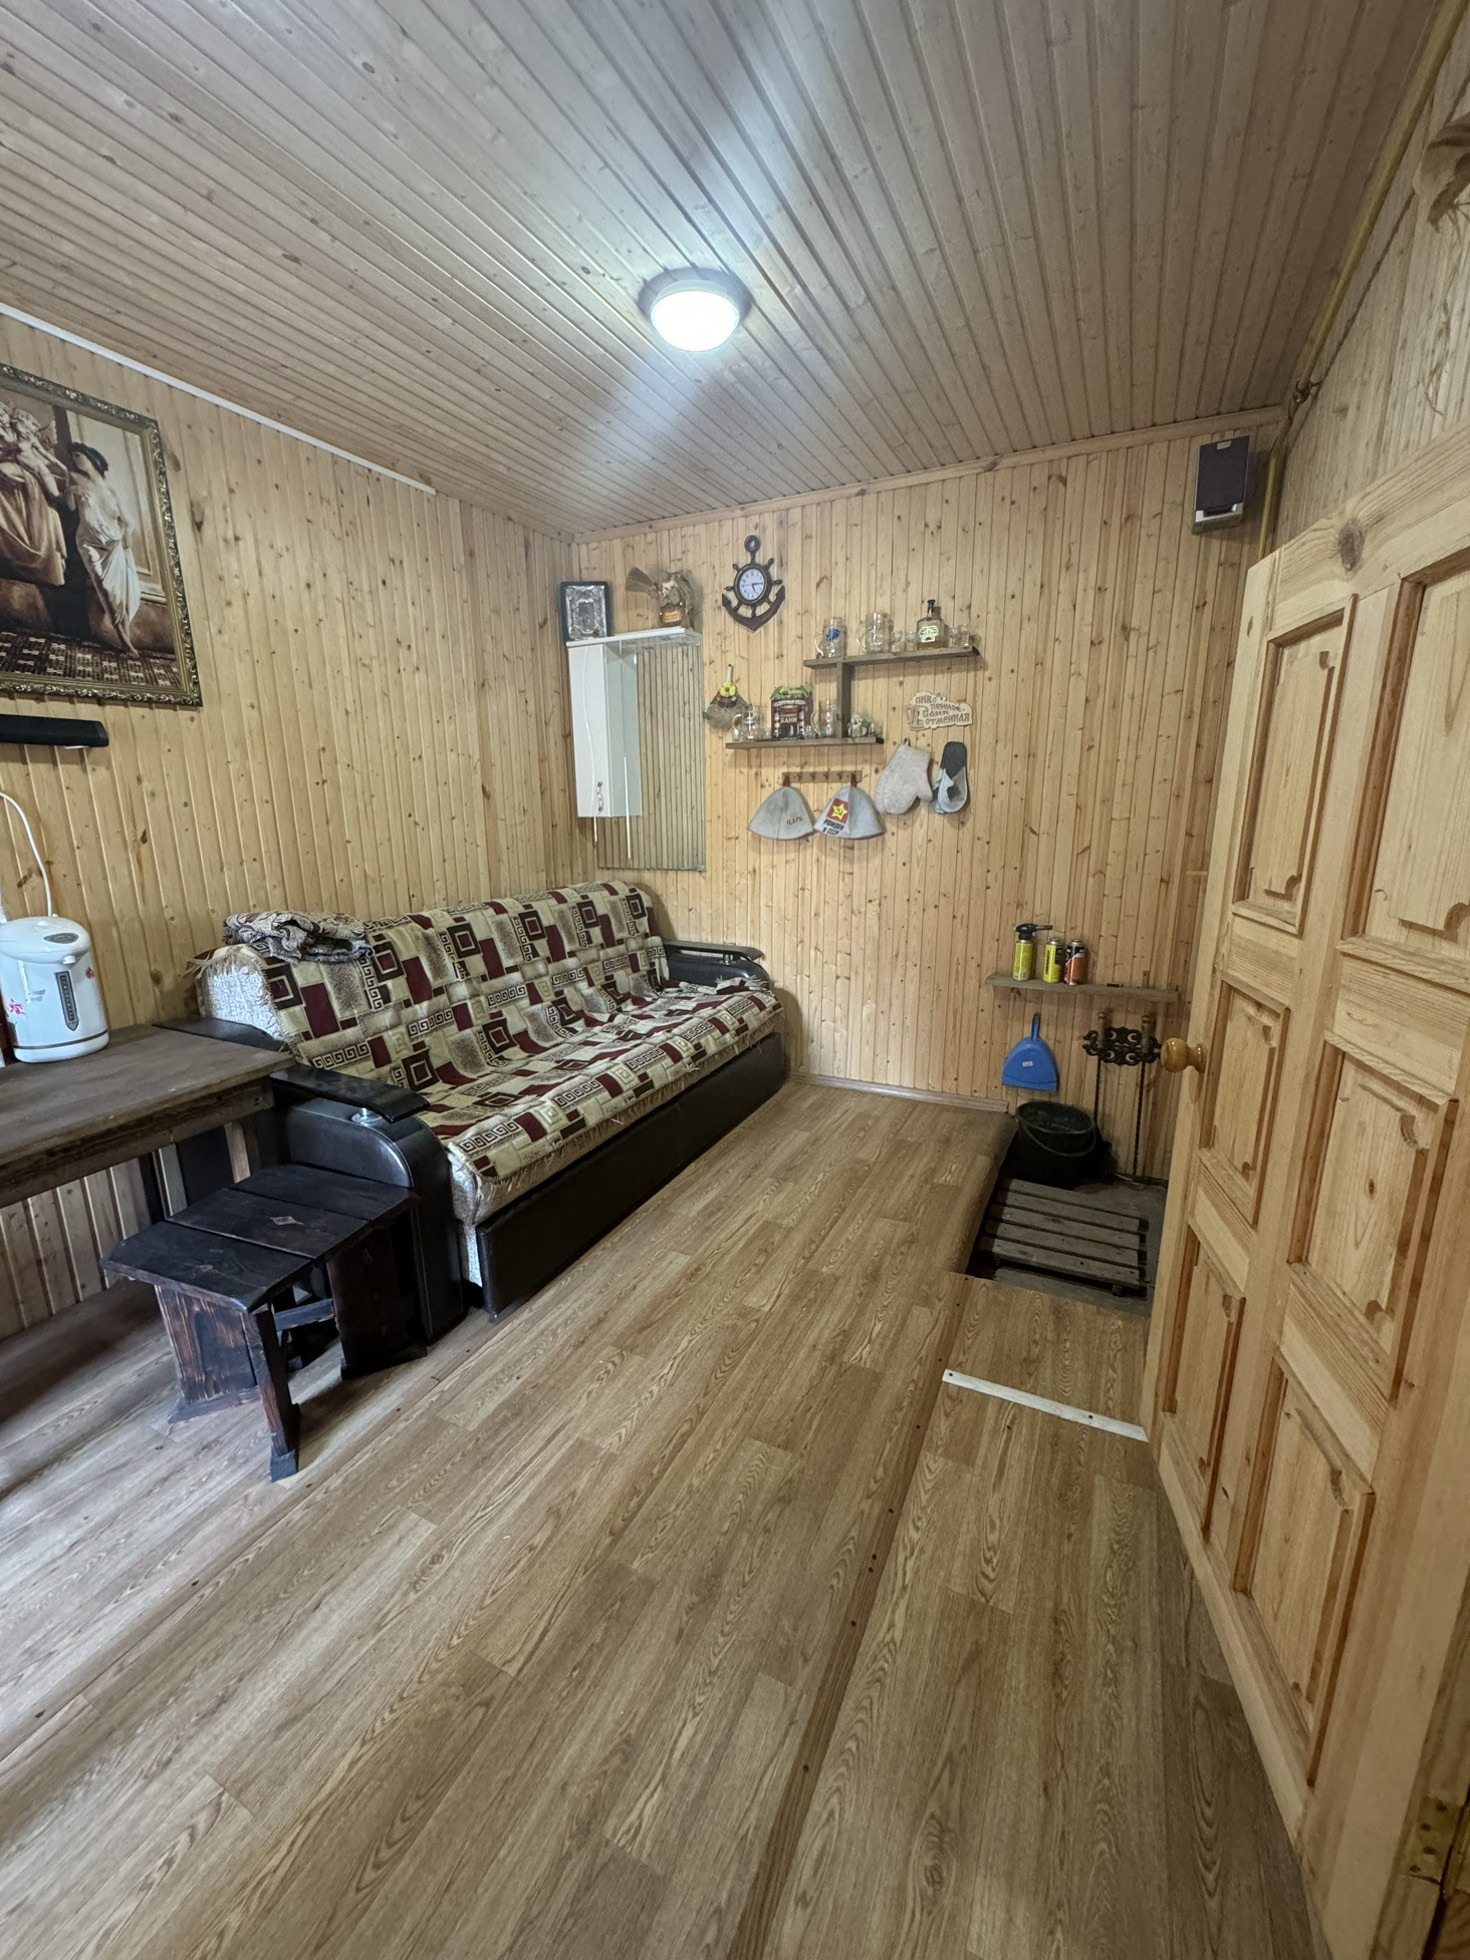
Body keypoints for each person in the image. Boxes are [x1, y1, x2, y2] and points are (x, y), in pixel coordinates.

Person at [67, 442, 142, 655]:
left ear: (91, 457)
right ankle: (124, 641)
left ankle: (125, 635)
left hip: (113, 543)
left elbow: (128, 521)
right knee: (102, 586)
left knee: (120, 593)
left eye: (79, 455)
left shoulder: (111, 489)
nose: (76, 460)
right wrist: (70, 492)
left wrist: (126, 537)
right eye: (73, 457)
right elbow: (71, 507)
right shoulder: (74, 478)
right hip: (88, 541)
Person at [0, 404, 67, 586]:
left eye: (3, 414)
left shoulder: (20, 437)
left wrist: (62, 469)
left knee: (45, 483)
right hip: (15, 476)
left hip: (30, 474)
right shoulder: (9, 435)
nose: (2, 419)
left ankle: (58, 497)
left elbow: (45, 458)